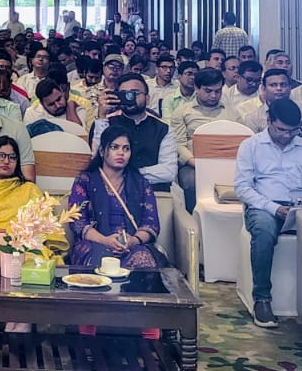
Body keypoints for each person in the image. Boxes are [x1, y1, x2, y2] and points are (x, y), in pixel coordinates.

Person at [235, 99, 302, 328]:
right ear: (269, 121)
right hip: (264, 206)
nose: (286, 136)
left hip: (301, 208)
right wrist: (274, 208)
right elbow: (243, 188)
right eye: (281, 130)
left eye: (292, 131)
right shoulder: (251, 146)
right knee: (264, 232)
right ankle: (262, 299)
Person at [64, 127, 161, 272]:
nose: (121, 153)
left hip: (131, 245)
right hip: (94, 243)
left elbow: (151, 223)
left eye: (126, 148)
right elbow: (77, 221)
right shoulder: (85, 180)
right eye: (115, 147)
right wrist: (105, 241)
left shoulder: (141, 184)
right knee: (99, 262)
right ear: (102, 151)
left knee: (143, 259)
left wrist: (133, 241)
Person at [97, 74, 177, 187]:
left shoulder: (163, 129)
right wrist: (102, 115)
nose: (129, 97)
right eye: (124, 94)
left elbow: (169, 172)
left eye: (134, 93)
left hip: (154, 191)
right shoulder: (106, 123)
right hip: (112, 189)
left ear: (147, 99)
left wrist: (126, 174)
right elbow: (97, 160)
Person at [173, 67, 230, 212]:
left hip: (227, 162)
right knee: (190, 183)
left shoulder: (231, 112)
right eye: (208, 91)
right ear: (196, 88)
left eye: (218, 91)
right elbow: (179, 144)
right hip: (193, 164)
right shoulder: (182, 112)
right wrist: (196, 163)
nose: (213, 96)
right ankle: (193, 219)